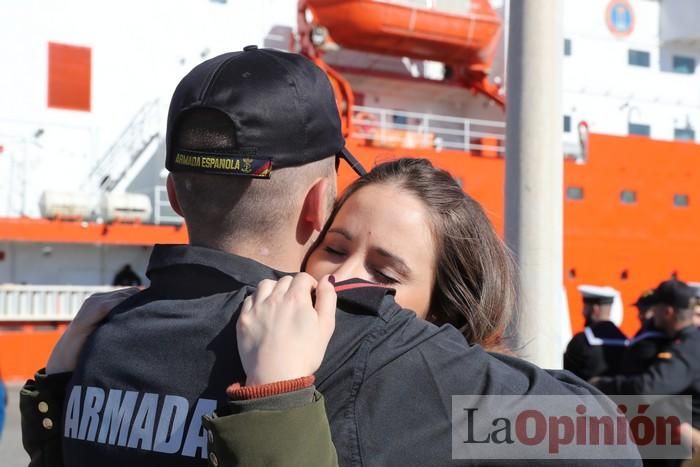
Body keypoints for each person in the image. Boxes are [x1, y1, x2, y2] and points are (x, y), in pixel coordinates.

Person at [24, 48, 639, 467]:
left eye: (386, 273)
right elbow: (606, 434)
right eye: (338, 248)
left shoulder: (105, 340)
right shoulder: (379, 358)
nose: (346, 278)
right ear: (319, 207)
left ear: (174, 194)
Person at [593, 279, 700, 431]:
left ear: (668, 312)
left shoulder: (688, 348)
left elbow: (648, 389)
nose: (651, 314)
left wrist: (600, 385)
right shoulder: (684, 340)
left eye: (655, 308)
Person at [563, 286, 628, 380]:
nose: (583, 312)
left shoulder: (580, 342)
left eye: (585, 308)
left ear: (595, 309)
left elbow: (566, 378)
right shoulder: (626, 342)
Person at [622, 289, 671, 376]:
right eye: (640, 310)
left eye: (645, 311)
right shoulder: (644, 331)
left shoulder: (659, 337)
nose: (640, 316)